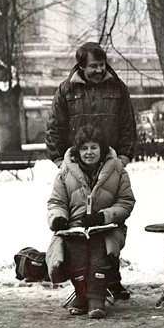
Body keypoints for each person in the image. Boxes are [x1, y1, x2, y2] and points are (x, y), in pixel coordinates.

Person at [45, 41, 137, 301]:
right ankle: (83, 284)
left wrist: (123, 157)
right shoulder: (66, 90)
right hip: (77, 165)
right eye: (93, 66)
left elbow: (128, 123)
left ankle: (113, 280)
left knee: (109, 222)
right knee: (77, 222)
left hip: (109, 165)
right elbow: (54, 126)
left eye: (102, 65)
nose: (99, 70)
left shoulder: (117, 88)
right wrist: (60, 162)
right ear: (81, 66)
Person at [46, 124, 136, 319]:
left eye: (94, 147)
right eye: (84, 148)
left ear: (101, 149)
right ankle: (81, 293)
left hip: (107, 227)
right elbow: (56, 202)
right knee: (74, 248)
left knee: (98, 249)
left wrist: (103, 216)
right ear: (77, 151)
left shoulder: (117, 169)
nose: (89, 153)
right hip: (75, 228)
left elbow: (126, 202)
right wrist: (58, 219)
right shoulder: (65, 172)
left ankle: (96, 297)